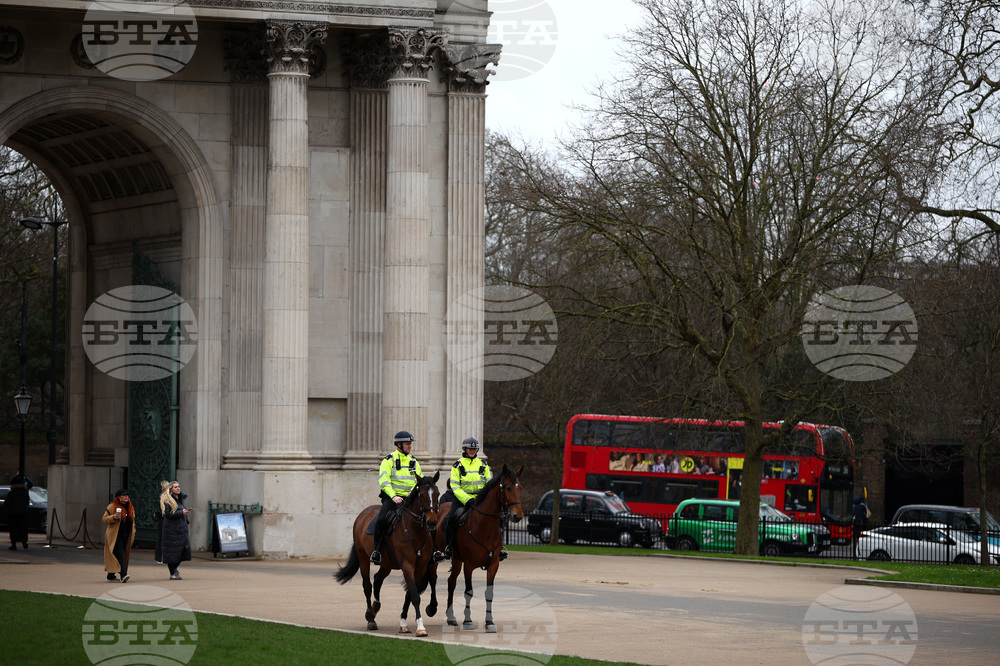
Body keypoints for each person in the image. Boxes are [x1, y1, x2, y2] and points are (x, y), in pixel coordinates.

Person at [370, 431, 441, 565]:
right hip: (393, 498)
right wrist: (393, 496)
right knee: (381, 519)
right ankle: (377, 551)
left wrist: (412, 492)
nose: (410, 446)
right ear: (399, 445)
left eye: (410, 443)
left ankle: (434, 551)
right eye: (407, 443)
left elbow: (419, 480)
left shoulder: (414, 461)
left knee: (429, 519)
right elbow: (384, 481)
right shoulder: (388, 460)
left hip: (410, 497)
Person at [441, 436, 506, 561]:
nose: (472, 451)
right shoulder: (457, 465)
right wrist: (467, 499)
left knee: (499, 518)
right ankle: (449, 547)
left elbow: (489, 484)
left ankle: (500, 547)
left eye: (474, 449)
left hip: (480, 499)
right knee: (451, 518)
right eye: (470, 449)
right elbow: (455, 486)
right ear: (465, 449)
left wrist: (483, 498)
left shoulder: (483, 465)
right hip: (462, 498)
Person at [102, 489, 136, 583]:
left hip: (126, 534)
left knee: (122, 554)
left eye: (127, 495)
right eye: (124, 496)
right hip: (115, 535)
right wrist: (114, 517)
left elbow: (132, 519)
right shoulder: (112, 506)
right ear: (119, 497)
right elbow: (104, 519)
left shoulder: (130, 507)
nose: (126, 497)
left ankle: (110, 575)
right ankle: (123, 574)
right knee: (120, 554)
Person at [160, 480, 192, 580]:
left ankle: (174, 570)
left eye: (178, 486)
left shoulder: (180, 499)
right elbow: (168, 514)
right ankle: (173, 572)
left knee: (184, 550)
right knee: (172, 552)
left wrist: (184, 513)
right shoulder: (167, 500)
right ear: (171, 489)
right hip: (171, 530)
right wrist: (181, 513)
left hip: (181, 529)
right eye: (175, 487)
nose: (178, 488)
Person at [4, 473, 31, 550]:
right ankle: (24, 541)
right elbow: (27, 503)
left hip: (12, 514)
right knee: (22, 528)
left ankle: (14, 544)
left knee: (13, 529)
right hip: (22, 513)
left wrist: (9, 509)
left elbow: (6, 503)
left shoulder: (11, 493)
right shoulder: (25, 493)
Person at [153, 480, 170, 564]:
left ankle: (160, 557)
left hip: (163, 519)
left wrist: (157, 513)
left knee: (161, 538)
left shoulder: (164, 497)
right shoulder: (167, 497)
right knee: (163, 538)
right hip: (165, 519)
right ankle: (161, 557)